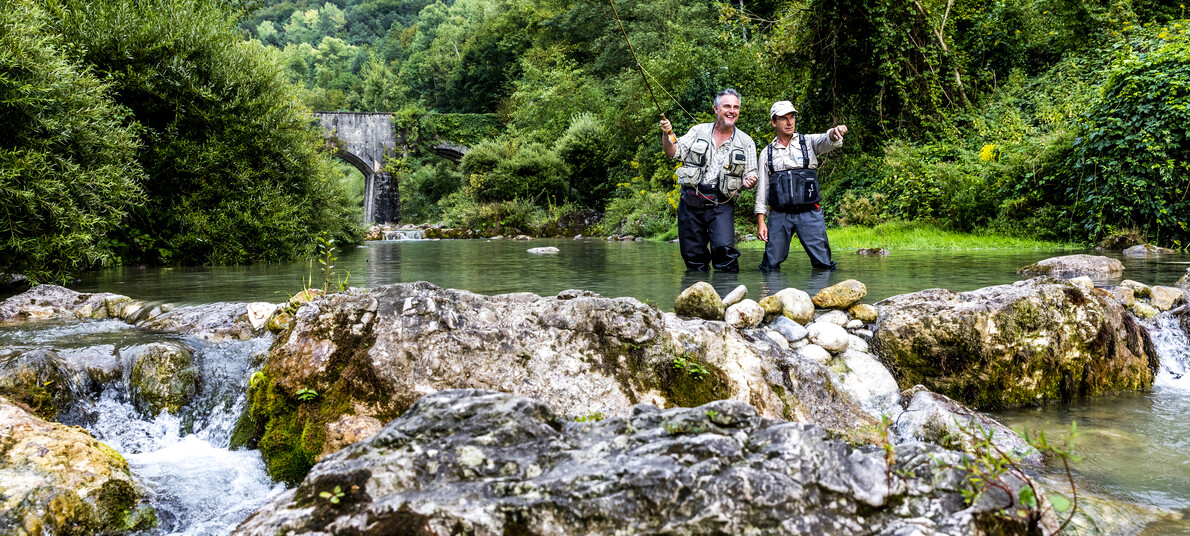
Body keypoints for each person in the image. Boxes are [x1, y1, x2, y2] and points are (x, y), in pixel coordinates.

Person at [659, 88, 758, 272]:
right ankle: (698, 298)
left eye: (736, 107)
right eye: (726, 106)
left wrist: (750, 180)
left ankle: (727, 298)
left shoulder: (747, 142)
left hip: (722, 203)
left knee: (725, 253)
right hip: (691, 200)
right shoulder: (697, 131)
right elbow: (672, 152)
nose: (732, 110)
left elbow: (751, 173)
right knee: (693, 257)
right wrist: (666, 133)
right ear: (715, 109)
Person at [754, 100, 848, 272]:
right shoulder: (766, 153)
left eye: (792, 117)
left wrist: (835, 132)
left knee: (824, 264)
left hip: (810, 213)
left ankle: (826, 297)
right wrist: (761, 221)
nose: (790, 122)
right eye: (784, 118)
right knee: (770, 265)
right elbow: (762, 190)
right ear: (774, 122)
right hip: (779, 215)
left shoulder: (809, 142)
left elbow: (828, 138)